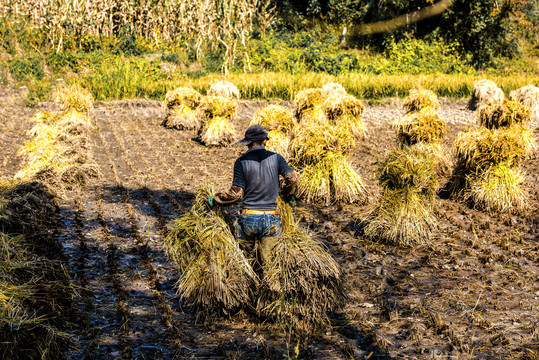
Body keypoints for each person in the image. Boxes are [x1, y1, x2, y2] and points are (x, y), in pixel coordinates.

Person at [208, 124, 298, 269]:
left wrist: (217, 199)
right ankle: (270, 289)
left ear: (248, 143)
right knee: (269, 266)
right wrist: (289, 194)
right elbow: (292, 178)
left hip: (248, 217)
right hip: (271, 218)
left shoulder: (241, 162)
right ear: (265, 141)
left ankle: (250, 287)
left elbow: (236, 193)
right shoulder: (277, 158)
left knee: (246, 264)